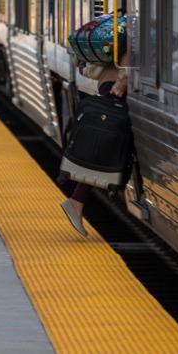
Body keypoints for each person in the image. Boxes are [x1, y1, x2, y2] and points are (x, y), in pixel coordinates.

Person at [60, 50, 130, 237]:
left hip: (117, 79)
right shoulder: (137, 20)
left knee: (108, 145)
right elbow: (134, 42)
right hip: (118, 82)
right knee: (104, 144)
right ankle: (76, 200)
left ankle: (77, 200)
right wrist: (122, 79)